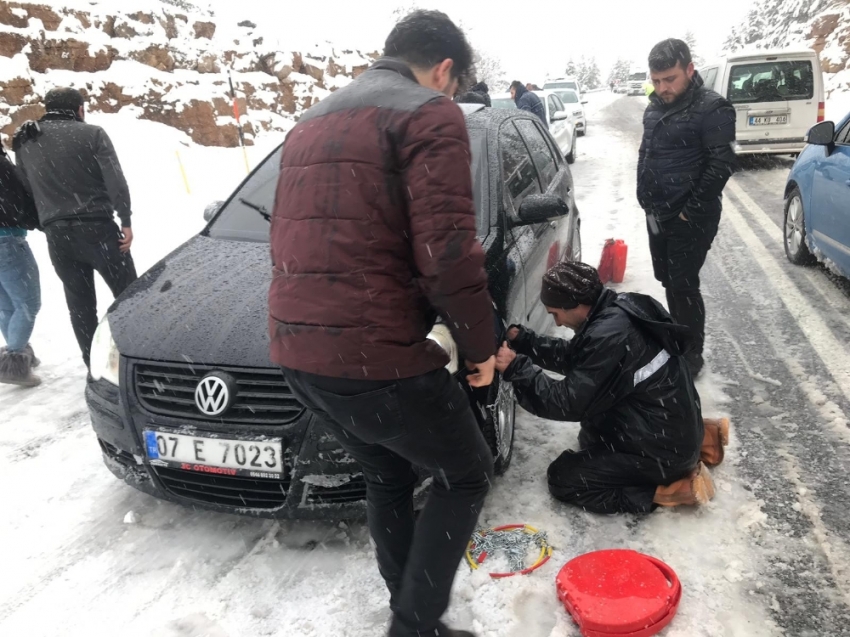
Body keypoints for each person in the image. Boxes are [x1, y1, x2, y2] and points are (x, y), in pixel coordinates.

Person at [269, 10, 496, 637]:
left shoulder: (312, 119)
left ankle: (409, 611)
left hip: (295, 349)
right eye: (453, 86)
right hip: (373, 356)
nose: (450, 96)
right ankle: (411, 626)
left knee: (387, 472)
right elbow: (449, 254)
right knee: (466, 472)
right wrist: (482, 344)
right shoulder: (428, 112)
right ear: (445, 69)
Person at [495, 261, 731, 514]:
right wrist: (526, 341)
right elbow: (582, 360)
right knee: (591, 435)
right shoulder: (620, 310)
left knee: (566, 478)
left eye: (555, 314)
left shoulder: (609, 336)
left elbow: (567, 403)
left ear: (576, 305)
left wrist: (516, 370)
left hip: (664, 452)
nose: (559, 323)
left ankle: (668, 490)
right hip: (672, 430)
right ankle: (700, 438)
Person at [13, 87, 137, 371]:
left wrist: (47, 222)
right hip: (98, 229)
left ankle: (94, 366)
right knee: (131, 296)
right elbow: (116, 182)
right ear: (79, 109)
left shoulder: (26, 140)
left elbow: (26, 190)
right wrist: (126, 220)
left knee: (80, 307)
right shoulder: (92, 134)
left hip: (58, 237)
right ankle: (140, 357)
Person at [637, 39, 737, 376]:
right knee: (667, 280)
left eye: (670, 79)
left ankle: (691, 358)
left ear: (690, 70)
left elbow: (721, 163)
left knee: (683, 284)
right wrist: (642, 192)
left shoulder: (713, 108)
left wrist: (689, 210)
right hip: (657, 212)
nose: (663, 88)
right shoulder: (654, 107)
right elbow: (645, 152)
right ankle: (679, 340)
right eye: (656, 80)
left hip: (689, 216)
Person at [0, 145, 41, 387]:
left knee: (7, 306)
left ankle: (16, 354)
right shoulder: (3, 166)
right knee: (29, 303)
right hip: (7, 241)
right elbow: (16, 203)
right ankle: (14, 363)